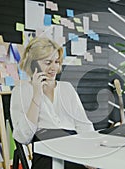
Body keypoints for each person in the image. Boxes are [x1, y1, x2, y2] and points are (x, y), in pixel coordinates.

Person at [10, 37, 95, 169]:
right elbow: (22, 137)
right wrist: (37, 95)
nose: (54, 67)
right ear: (33, 64)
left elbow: (83, 125)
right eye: (48, 62)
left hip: (73, 150)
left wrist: (91, 154)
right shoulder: (21, 91)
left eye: (56, 62)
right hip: (46, 155)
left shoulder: (66, 88)